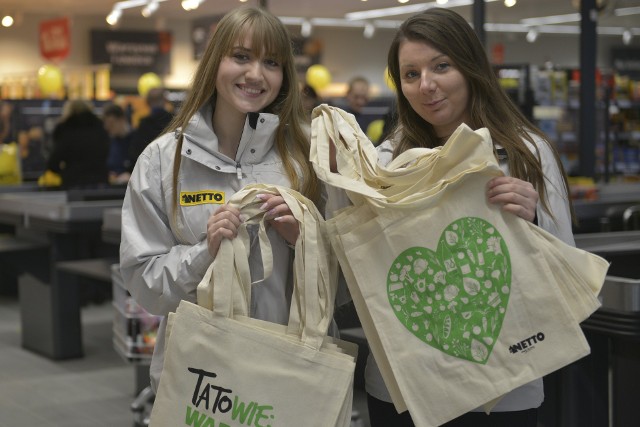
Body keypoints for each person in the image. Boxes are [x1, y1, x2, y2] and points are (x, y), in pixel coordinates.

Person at [363, 8, 574, 427]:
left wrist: (533, 221)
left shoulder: (525, 153)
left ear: (471, 66)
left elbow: (568, 270)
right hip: (404, 387)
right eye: (410, 74)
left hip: (502, 386)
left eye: (442, 66)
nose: (427, 85)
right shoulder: (386, 161)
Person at [119, 6, 322, 393]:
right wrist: (204, 251)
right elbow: (143, 281)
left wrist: (305, 239)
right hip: (201, 375)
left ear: (285, 76)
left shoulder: (306, 159)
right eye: (241, 57)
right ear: (215, 62)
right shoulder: (163, 161)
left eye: (271, 62)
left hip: (287, 370)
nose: (255, 74)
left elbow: (345, 275)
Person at [46, 99, 109, 189]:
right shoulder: (100, 129)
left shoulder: (65, 131)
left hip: (73, 183)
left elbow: (53, 163)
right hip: (99, 182)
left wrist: (66, 172)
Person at [130, 86, 174, 165]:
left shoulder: (143, 124)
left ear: (148, 103)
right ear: (164, 101)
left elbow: (136, 153)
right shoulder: (173, 121)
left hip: (149, 168)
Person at [103, 103, 134, 184]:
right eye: (106, 124)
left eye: (111, 123)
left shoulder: (137, 140)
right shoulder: (110, 141)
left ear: (122, 120)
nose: (108, 127)